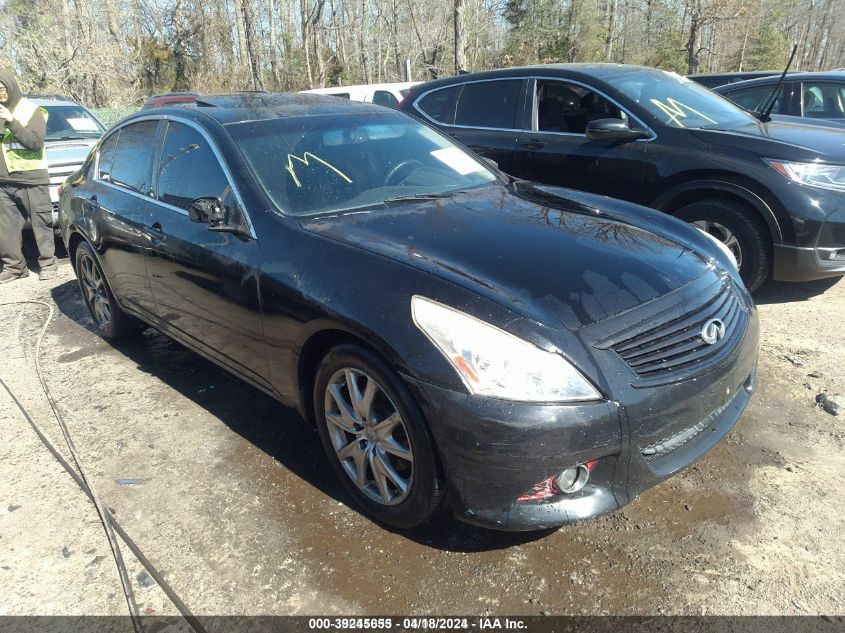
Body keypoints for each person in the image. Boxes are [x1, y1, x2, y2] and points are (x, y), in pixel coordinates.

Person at [0, 68, 56, 283]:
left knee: (41, 224)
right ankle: (15, 268)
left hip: (32, 179)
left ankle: (49, 265)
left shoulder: (31, 110)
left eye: (3, 88)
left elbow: (35, 142)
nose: (1, 93)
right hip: (4, 182)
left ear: (11, 87)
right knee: (5, 229)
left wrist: (11, 120)